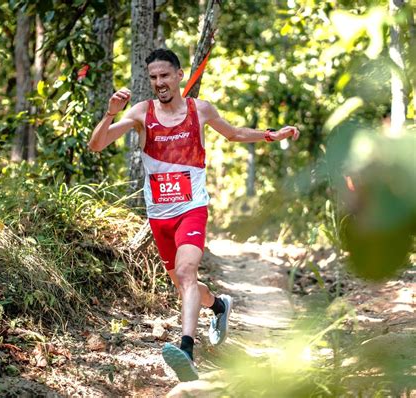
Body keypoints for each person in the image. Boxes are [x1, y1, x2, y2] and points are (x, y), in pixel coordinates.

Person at [88, 48, 300, 382]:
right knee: (181, 282)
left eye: (165, 75)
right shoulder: (142, 113)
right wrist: (110, 114)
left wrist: (271, 135)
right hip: (159, 216)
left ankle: (186, 350)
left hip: (192, 208)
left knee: (187, 272)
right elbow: (97, 145)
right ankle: (218, 306)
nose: (159, 82)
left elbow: (234, 133)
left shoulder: (198, 110)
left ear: (179, 75)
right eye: (153, 77)